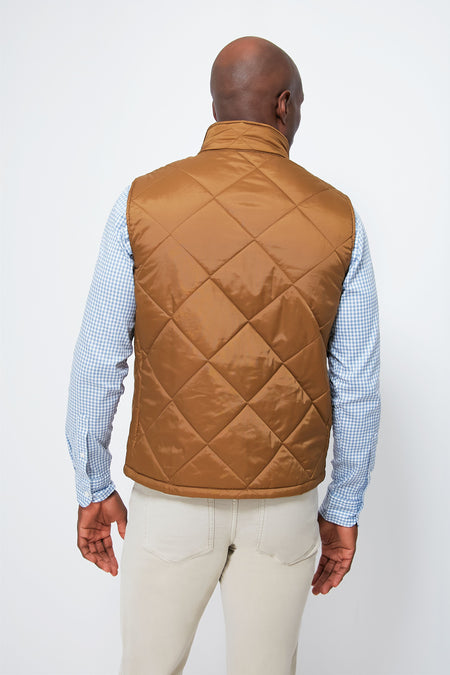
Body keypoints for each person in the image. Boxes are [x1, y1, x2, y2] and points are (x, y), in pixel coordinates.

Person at [65, 35, 380, 675]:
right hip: (284, 506)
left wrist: (93, 482)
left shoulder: (143, 203)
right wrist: (343, 507)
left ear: (216, 106)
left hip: (168, 502)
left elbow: (99, 359)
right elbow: (356, 384)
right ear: (284, 105)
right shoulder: (338, 217)